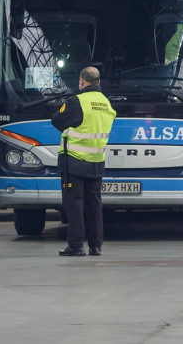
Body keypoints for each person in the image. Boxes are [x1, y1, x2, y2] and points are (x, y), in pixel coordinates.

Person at [53, 66, 116, 257]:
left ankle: (76, 245)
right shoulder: (106, 103)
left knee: (74, 203)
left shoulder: (77, 101)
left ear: (81, 81)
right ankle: (96, 246)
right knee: (94, 204)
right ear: (98, 81)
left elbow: (56, 120)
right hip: (97, 160)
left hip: (74, 160)